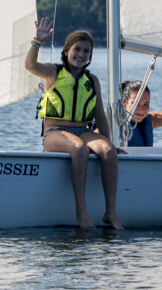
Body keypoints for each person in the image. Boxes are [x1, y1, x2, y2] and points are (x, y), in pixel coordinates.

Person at [25, 17, 122, 230]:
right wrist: (37, 41)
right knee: (79, 149)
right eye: (77, 49)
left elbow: (100, 116)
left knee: (109, 150)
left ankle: (110, 212)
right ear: (67, 51)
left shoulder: (92, 80)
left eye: (86, 52)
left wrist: (109, 141)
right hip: (55, 132)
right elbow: (30, 65)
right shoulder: (53, 72)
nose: (81, 55)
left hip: (83, 130)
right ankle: (82, 211)